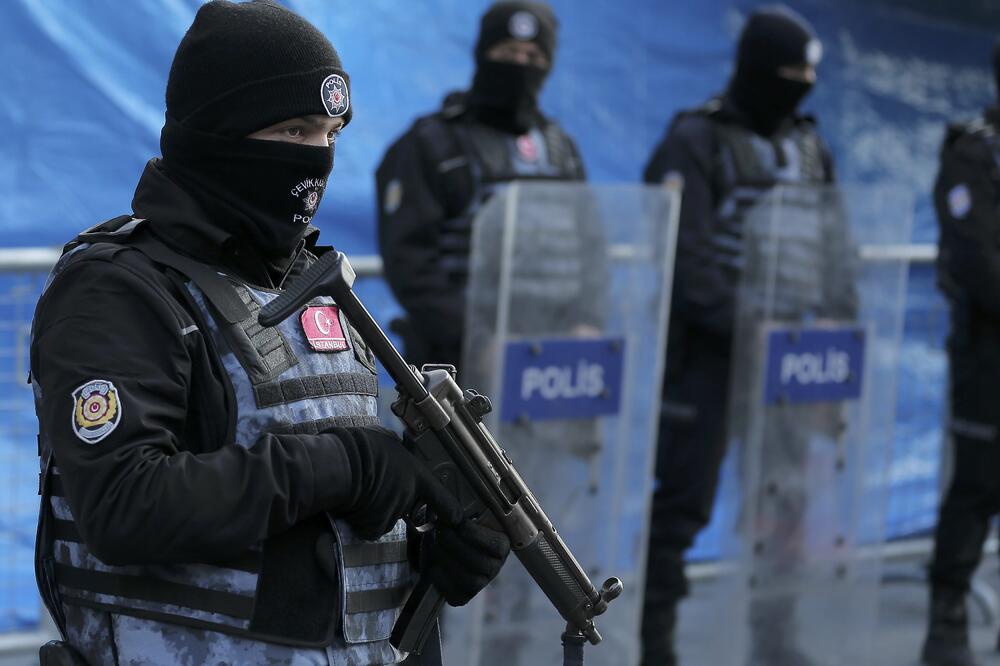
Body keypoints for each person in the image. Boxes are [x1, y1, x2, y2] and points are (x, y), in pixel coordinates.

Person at [29, 2, 509, 665]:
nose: (317, 158)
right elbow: (124, 506)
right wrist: (350, 464)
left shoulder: (310, 282)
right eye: (294, 131)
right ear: (221, 135)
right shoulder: (120, 289)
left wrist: (422, 553)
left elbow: (306, 539)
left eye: (331, 134)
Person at [641, 6, 855, 665]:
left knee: (786, 503)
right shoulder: (695, 140)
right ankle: (657, 644)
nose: (800, 86)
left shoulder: (811, 147)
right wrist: (750, 326)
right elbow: (685, 255)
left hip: (797, 363)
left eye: (809, 75)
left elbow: (835, 249)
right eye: (788, 73)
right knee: (681, 507)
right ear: (756, 70)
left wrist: (836, 329)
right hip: (708, 359)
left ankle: (775, 635)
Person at [375, 0, 586, 372]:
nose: (519, 64)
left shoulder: (561, 150)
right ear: (483, 53)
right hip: (457, 363)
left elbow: (591, 249)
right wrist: (478, 338)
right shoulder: (431, 144)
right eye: (507, 51)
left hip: (555, 362)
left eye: (533, 56)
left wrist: (589, 321)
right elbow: (410, 261)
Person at [923, 38, 1000, 666]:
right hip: (988, 355)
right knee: (977, 485)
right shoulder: (974, 150)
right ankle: (946, 618)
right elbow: (977, 258)